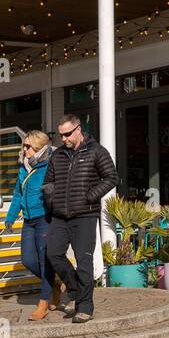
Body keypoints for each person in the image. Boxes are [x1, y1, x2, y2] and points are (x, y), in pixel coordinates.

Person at [43, 114, 117, 325]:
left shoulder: (96, 151)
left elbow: (112, 177)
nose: (63, 138)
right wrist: (51, 203)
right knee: (53, 253)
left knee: (84, 262)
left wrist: (90, 196)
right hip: (59, 217)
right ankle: (74, 288)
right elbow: (49, 183)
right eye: (60, 135)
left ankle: (85, 307)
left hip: (85, 216)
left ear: (78, 130)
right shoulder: (58, 155)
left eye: (67, 134)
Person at [3, 130, 59, 321]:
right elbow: (18, 194)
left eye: (28, 146)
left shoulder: (49, 167)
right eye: (24, 146)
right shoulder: (23, 169)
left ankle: (43, 303)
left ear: (38, 148)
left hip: (45, 219)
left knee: (45, 261)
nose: (24, 149)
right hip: (28, 221)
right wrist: (10, 218)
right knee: (27, 260)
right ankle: (54, 283)